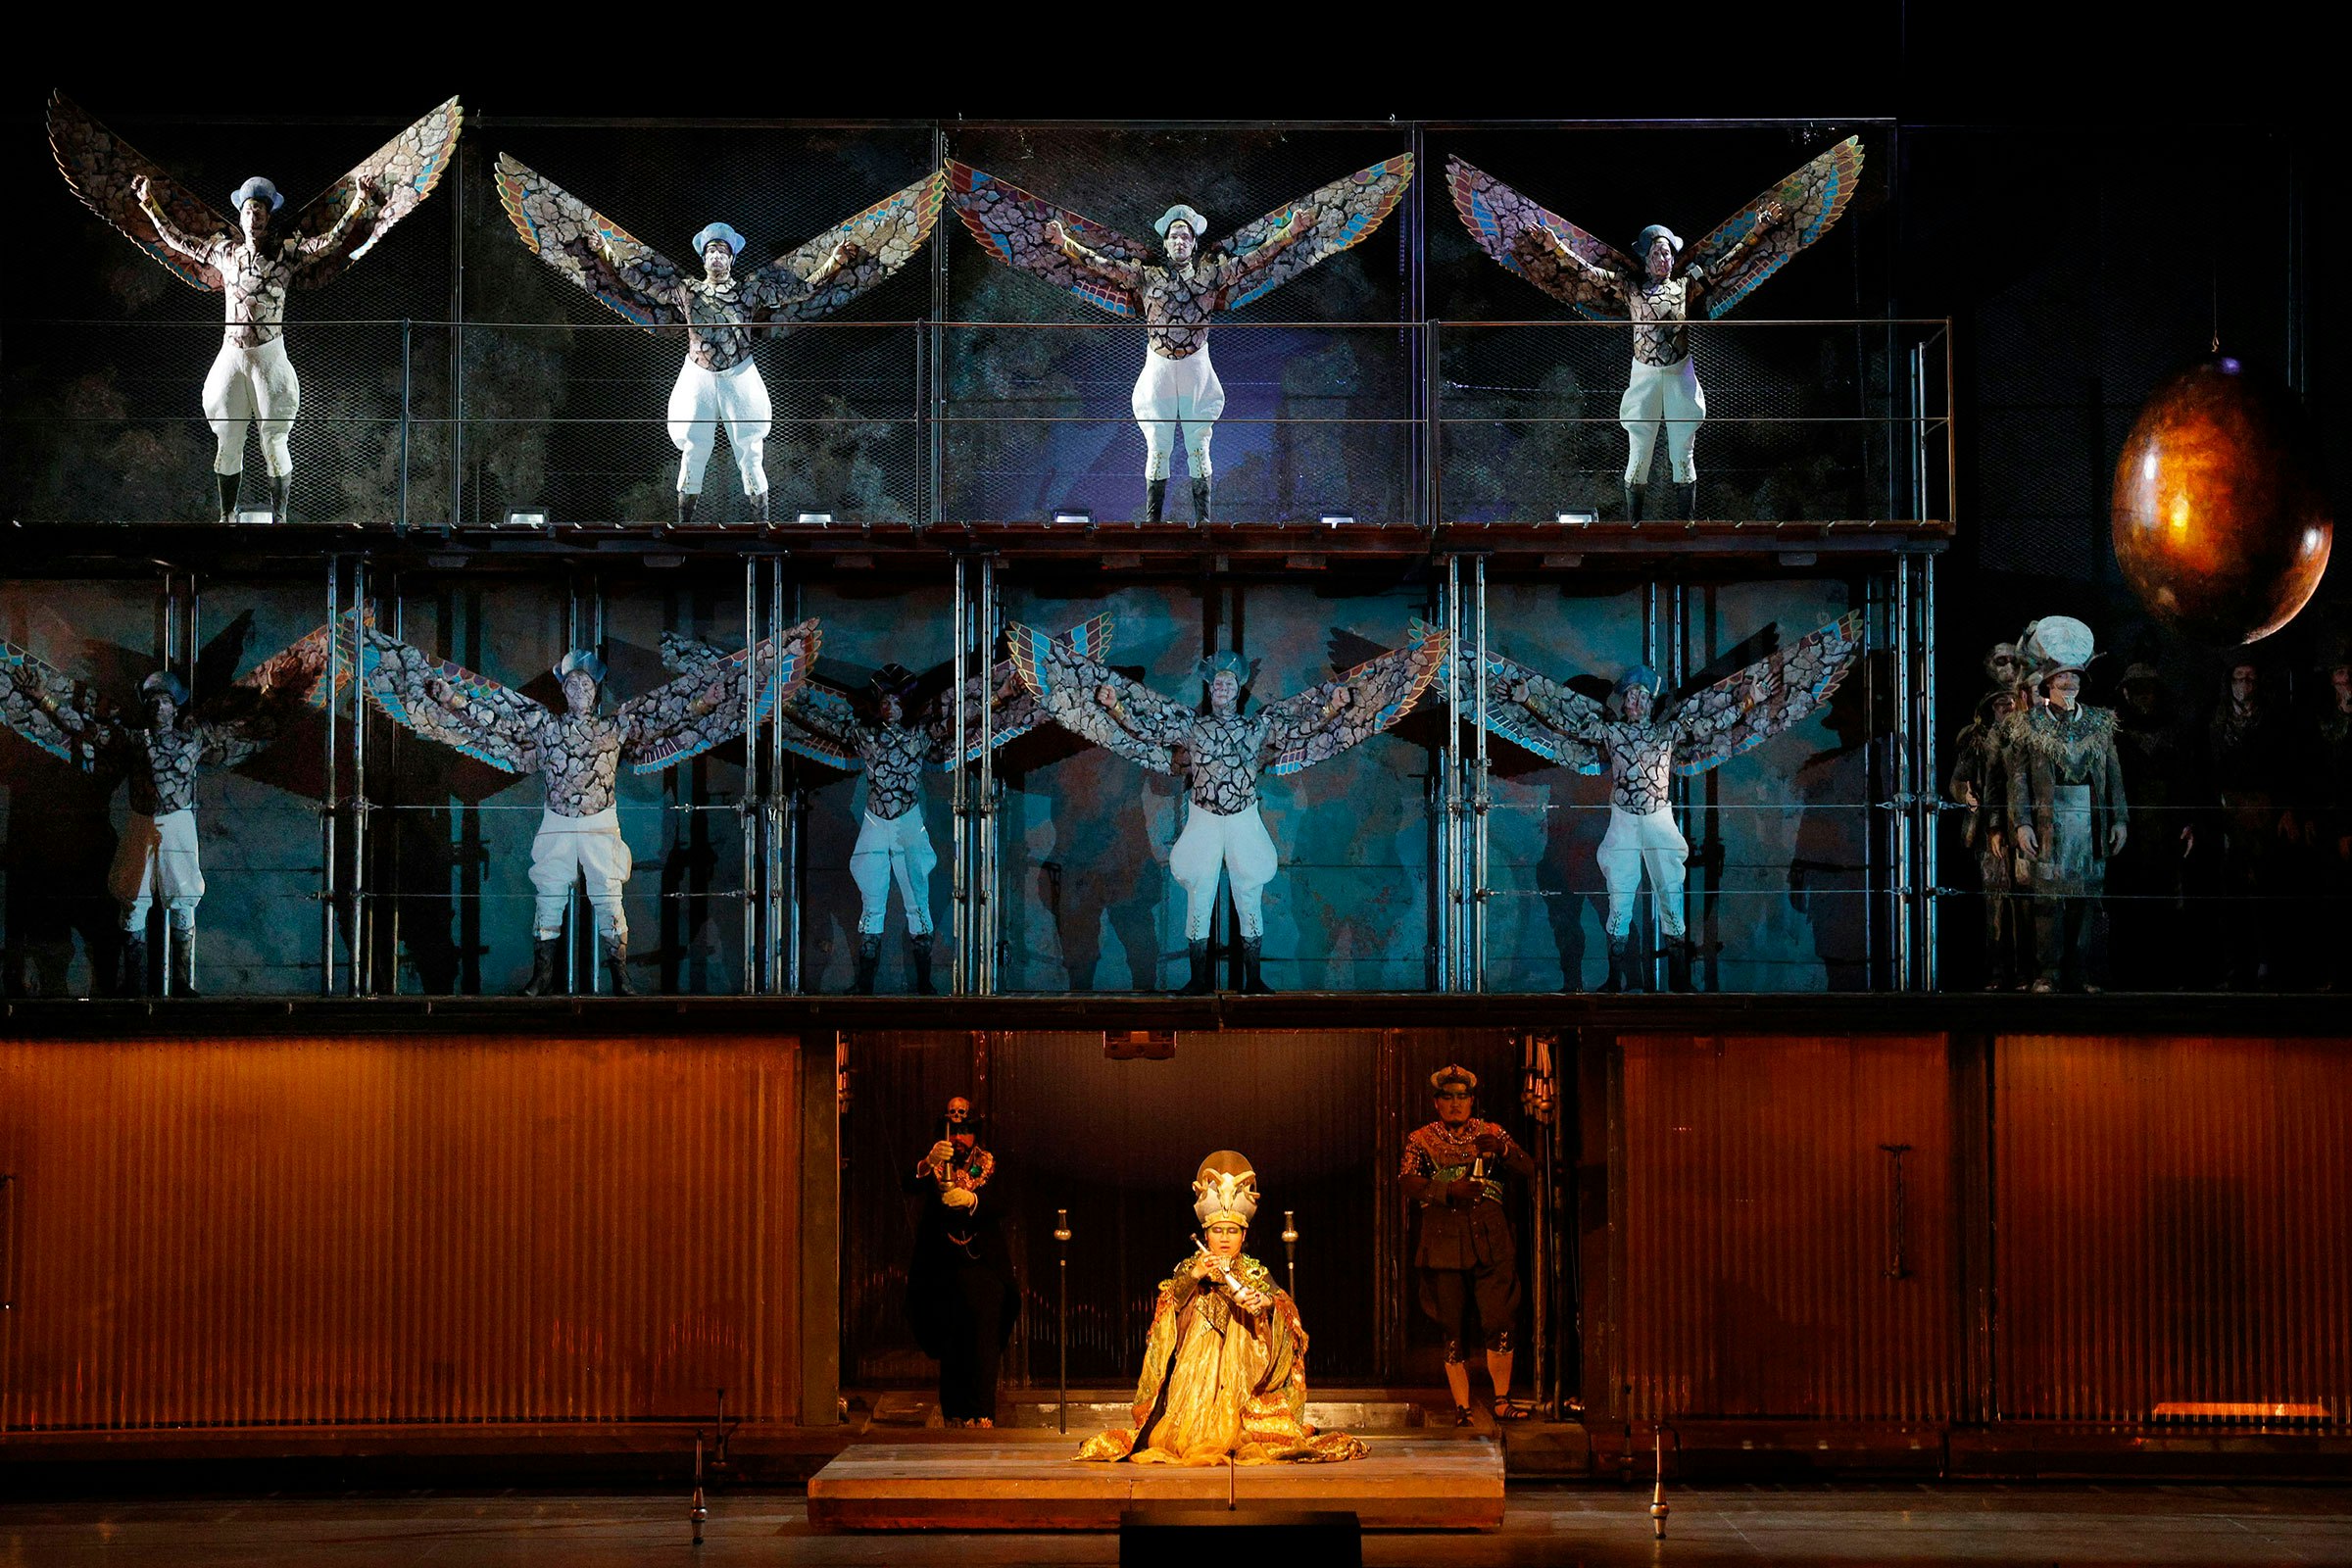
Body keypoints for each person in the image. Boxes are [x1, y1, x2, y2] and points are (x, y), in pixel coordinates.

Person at [48, 93, 461, 523]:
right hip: (231, 353)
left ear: (268, 215)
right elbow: (178, 241)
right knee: (227, 438)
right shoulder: (224, 254)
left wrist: (357, 204)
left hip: (269, 356)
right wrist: (149, 205)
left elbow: (330, 242)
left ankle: (279, 517)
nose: (254, 216)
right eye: (248, 209)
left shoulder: (286, 254)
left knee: (273, 439)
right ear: (241, 215)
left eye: (260, 209)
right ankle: (228, 516)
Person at [359, 621, 818, 994]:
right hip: (558, 822)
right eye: (572, 682)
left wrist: (708, 698)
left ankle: (619, 976)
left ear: (596, 689)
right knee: (550, 895)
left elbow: (673, 714)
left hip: (600, 823)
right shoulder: (543, 725)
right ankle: (542, 975)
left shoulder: (617, 727)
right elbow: (494, 716)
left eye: (585, 682)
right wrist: (452, 697)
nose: (579, 689)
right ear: (564, 688)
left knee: (608, 897)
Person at [948, 157, 1412, 523]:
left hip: (1197, 366)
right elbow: (1098, 266)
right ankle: (1153, 521)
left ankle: (1203, 521)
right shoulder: (1145, 276)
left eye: (1186, 235)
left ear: (1193, 243)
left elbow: (1255, 258)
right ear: (1166, 243)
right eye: (1174, 235)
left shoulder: (1213, 273)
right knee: (1156, 446)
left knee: (1199, 445)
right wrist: (1064, 241)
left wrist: (1289, 233)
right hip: (1157, 365)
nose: (1180, 241)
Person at [495, 156, 945, 524]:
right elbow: (633, 280)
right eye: (710, 250)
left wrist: (831, 261)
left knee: (751, 453)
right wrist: (603, 251)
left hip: (740, 373)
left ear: (731, 258)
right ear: (703, 256)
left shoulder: (751, 289)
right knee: (696, 451)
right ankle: (685, 525)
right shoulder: (685, 289)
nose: (716, 256)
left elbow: (800, 288)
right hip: (697, 374)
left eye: (722, 251)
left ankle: (760, 524)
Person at [1008, 624, 1446, 992]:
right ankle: (1199, 980)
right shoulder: (1192, 728)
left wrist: (1333, 707)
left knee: (1248, 893)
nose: (1221, 687)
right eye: (1216, 681)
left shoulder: (1259, 730)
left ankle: (1251, 978)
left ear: (1238, 689)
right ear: (1209, 688)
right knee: (1199, 896)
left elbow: (1302, 730)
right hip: (1204, 818)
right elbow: (1143, 729)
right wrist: (1116, 703)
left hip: (1241, 819)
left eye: (1229, 682)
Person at [1446, 138, 1862, 519]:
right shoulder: (1628, 287)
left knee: (1684, 452)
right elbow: (1587, 273)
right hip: (1644, 373)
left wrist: (1758, 228)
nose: (1663, 258)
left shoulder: (1687, 284)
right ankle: (1635, 525)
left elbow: (1727, 263)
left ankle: (1686, 524)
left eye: (1668, 252)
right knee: (1638, 453)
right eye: (1658, 252)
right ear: (1646, 257)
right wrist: (1554, 246)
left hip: (1679, 371)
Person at [1467, 612, 1863, 991]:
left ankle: (1678, 978)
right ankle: (1616, 980)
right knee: (1619, 901)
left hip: (1658, 818)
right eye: (1631, 696)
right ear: (1623, 702)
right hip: (1623, 819)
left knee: (1671, 896)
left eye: (1642, 696)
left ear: (1650, 701)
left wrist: (1751, 699)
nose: (1636, 702)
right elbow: (1567, 724)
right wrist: (1527, 699)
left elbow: (1714, 722)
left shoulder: (1668, 733)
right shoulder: (1610, 733)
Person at [773, 617, 1111, 993]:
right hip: (876, 821)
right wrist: (784, 702)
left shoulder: (920, 734)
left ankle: (923, 983)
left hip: (906, 821)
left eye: (896, 700)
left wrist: (1002, 695)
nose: (890, 707)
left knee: (919, 905)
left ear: (905, 702)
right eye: (885, 700)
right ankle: (865, 984)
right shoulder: (863, 735)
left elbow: (960, 720)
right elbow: (822, 724)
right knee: (873, 905)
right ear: (877, 703)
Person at [2, 628, 336, 995]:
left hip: (178, 825)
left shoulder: (194, 740)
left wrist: (287, 685)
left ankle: (181, 981)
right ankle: (133, 982)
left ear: (175, 707)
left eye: (165, 701)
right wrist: (42, 697)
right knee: (133, 902)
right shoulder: (133, 741)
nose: (159, 707)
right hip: (142, 822)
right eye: (153, 701)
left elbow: (246, 722)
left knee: (184, 901)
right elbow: (85, 727)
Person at [1078, 1152, 1364, 1464]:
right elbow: (1170, 1303)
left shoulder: (1253, 1270)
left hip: (1242, 1364)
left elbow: (1282, 1305)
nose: (1224, 1238)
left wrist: (1265, 1303)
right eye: (1217, 1231)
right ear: (1205, 1234)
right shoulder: (1190, 1266)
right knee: (1183, 1427)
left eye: (1232, 1231)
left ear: (1244, 1235)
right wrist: (1196, 1275)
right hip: (1195, 1362)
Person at [1400, 1065, 1537, 1425]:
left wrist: (1504, 1150)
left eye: (1462, 1097)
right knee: (1452, 1325)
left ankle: (1502, 1400)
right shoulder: (1421, 1139)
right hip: (1444, 1240)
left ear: (1472, 1101)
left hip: (1490, 1239)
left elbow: (1529, 1168)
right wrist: (1447, 1190)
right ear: (1437, 1103)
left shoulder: (1491, 1133)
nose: (1456, 1104)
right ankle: (1462, 1408)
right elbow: (1408, 1182)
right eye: (1448, 1097)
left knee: (1499, 1317)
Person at [2005, 618, 2127, 993]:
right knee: (2048, 903)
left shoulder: (2099, 722)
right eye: (2062, 679)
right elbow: (2019, 780)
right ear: (2048, 684)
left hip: (2087, 820)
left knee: (2086, 901)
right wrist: (2022, 823)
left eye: (2074, 678)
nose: (2069, 684)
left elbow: (2114, 775)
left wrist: (2119, 819)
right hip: (2047, 820)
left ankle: (2081, 970)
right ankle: (2049, 970)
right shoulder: (2029, 724)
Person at [903, 1097, 1018, 1429]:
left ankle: (982, 1415)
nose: (959, 1139)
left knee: (983, 1343)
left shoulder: (991, 1163)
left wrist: (973, 1200)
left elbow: (1003, 1202)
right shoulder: (936, 1164)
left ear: (975, 1135)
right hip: (943, 1267)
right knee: (951, 1342)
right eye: (954, 1131)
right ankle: (953, 1415)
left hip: (983, 1268)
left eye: (966, 1132)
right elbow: (909, 1184)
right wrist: (926, 1162)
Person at [2207, 658, 2288, 989]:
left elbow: (2286, 764)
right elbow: (2206, 769)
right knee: (2231, 890)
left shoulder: (2274, 720)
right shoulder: (2215, 720)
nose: (2244, 685)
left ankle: (2270, 963)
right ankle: (2236, 965)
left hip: (2263, 809)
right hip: (2229, 809)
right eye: (2239, 678)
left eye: (2250, 678)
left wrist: (2285, 808)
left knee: (2267, 888)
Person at [1948, 685, 2028, 989]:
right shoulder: (1978, 740)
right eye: (1999, 704)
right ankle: (1997, 971)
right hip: (1989, 831)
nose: (2006, 708)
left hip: (2024, 828)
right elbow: (1957, 779)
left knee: (2026, 904)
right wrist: (1965, 795)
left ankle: (2024, 972)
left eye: (2010, 702)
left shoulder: (2030, 735)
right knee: (1996, 903)